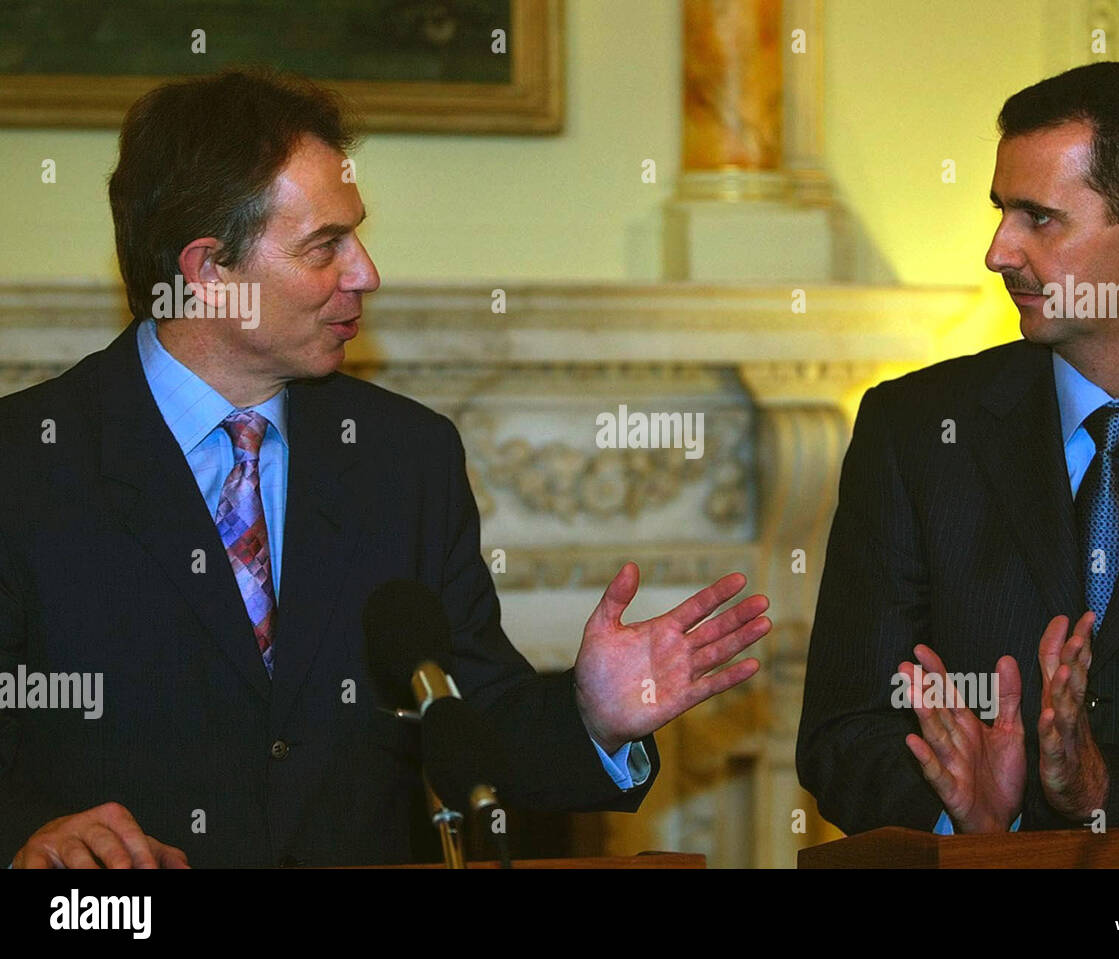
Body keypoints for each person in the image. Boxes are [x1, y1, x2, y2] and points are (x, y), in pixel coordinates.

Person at [0, 69, 770, 868]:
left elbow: (472, 726)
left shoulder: (405, 459)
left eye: (356, 236)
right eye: (324, 246)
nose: (366, 272)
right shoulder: (26, 466)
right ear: (208, 271)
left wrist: (592, 715)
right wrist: (29, 837)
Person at [797, 61, 1119, 835]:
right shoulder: (915, 431)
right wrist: (963, 817)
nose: (998, 250)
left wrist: (1098, 790)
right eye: (1000, 211)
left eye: (1038, 217)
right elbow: (843, 731)